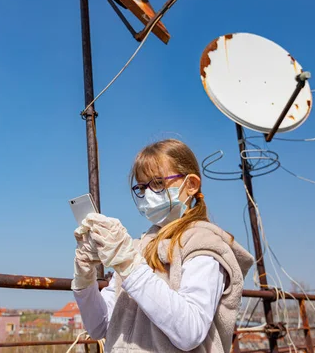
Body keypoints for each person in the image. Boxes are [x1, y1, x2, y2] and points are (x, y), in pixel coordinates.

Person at [71, 139, 254, 352]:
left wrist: (129, 264)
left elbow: (189, 331)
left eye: (158, 183)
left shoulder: (205, 246)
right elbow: (99, 326)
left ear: (191, 185)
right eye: (141, 187)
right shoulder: (137, 249)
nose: (147, 194)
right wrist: (85, 277)